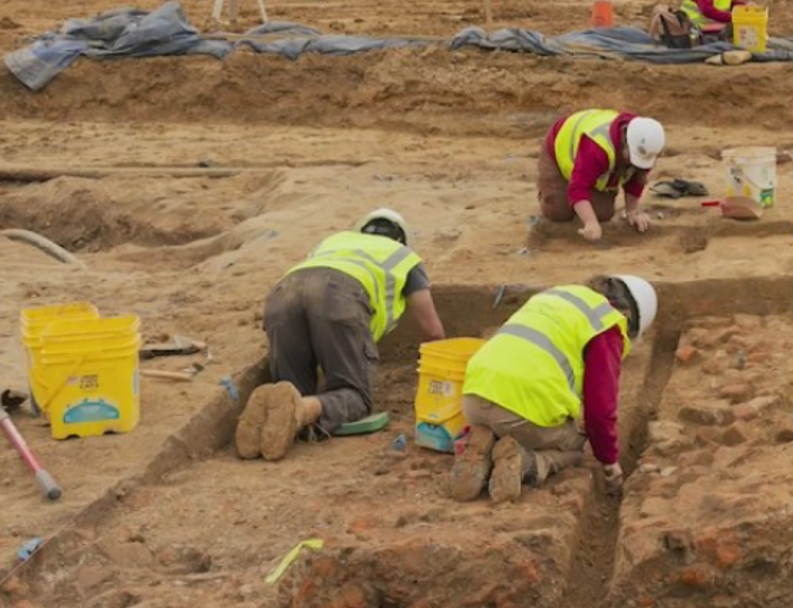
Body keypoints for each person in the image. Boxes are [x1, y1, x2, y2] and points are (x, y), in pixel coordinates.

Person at [236, 209, 447, 462]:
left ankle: (269, 419)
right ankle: (301, 410)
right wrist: (442, 375)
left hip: (282, 295)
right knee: (355, 397)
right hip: (337, 296)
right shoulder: (404, 256)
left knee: (290, 389)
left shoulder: (333, 242)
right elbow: (433, 330)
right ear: (402, 238)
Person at [448, 275, 658, 503]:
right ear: (627, 316)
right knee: (576, 445)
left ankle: (481, 450)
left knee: (506, 421)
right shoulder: (607, 324)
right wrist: (609, 462)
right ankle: (527, 462)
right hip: (520, 413)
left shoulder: (555, 297)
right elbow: (599, 412)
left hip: (473, 398)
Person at [538, 109, 665, 242]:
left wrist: (632, 212)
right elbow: (578, 187)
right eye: (632, 156)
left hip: (590, 167)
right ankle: (548, 190)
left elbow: (636, 178)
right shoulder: (597, 147)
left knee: (602, 213)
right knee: (558, 211)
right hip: (557, 151)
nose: (635, 162)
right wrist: (590, 222)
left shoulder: (646, 148)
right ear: (624, 139)